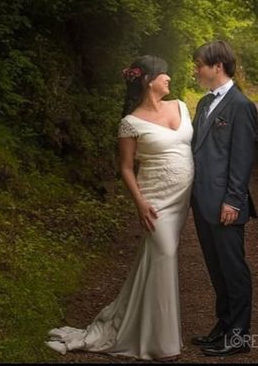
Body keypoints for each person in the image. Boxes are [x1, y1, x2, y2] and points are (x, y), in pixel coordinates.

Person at [46, 55, 194, 361]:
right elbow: (126, 168)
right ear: (147, 80)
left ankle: (144, 324)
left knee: (155, 260)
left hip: (182, 199)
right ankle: (160, 343)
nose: (168, 77)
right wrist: (139, 202)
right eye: (162, 73)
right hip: (155, 199)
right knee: (164, 253)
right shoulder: (130, 123)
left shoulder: (181, 106)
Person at [190, 40, 258, 356]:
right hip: (203, 202)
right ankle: (223, 327)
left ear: (218, 66)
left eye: (199, 65)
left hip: (226, 205)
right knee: (217, 270)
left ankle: (239, 337)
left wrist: (233, 200)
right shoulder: (204, 104)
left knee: (233, 270)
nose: (196, 70)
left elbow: (242, 158)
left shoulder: (241, 106)